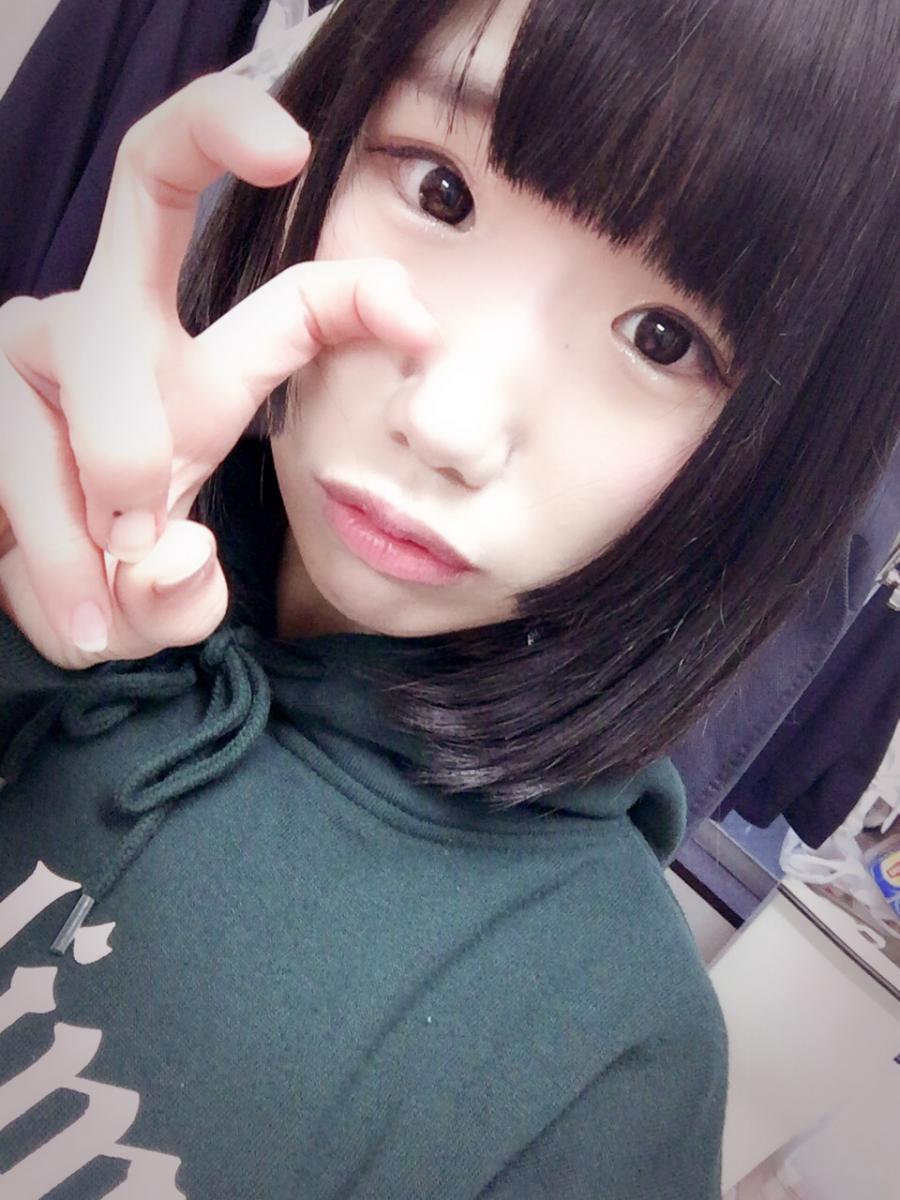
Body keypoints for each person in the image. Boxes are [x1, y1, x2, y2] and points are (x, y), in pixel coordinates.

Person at [0, 0, 896, 1195]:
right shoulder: (43, 534)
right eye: (441, 192)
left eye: (661, 340)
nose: (447, 424)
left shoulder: (597, 1080)